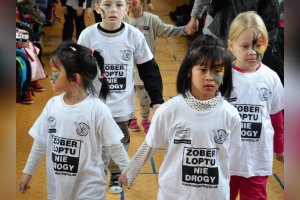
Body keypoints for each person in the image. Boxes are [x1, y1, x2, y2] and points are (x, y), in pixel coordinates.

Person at [119, 34, 242, 200]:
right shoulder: (169, 111)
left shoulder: (231, 115)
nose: (209, 77)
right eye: (203, 69)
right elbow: (150, 144)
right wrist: (130, 171)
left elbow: (233, 158)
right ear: (189, 71)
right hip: (173, 194)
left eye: (217, 71)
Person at [18, 41, 130, 199]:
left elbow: (115, 146)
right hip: (58, 189)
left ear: (75, 78)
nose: (51, 76)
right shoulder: (52, 106)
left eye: (56, 71)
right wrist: (27, 173)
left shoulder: (97, 109)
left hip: (89, 189)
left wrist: (128, 170)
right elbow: (40, 142)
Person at [77, 0, 164, 194]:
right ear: (98, 8)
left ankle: (116, 173)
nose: (113, 10)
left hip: (121, 105)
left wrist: (157, 101)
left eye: (118, 5)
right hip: (94, 105)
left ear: (127, 8)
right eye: (107, 5)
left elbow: (149, 69)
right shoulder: (87, 36)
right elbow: (78, 70)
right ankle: (96, 174)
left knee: (119, 141)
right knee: (96, 144)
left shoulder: (134, 36)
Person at [226, 11, 284, 200]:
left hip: (257, 159)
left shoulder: (271, 78)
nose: (252, 51)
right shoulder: (222, 76)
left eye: (257, 45)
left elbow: (276, 115)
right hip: (226, 159)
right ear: (231, 45)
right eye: (245, 46)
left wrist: (280, 146)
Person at [125, 0, 194, 134]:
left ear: (143, 2)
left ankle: (145, 119)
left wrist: (184, 29)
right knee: (127, 97)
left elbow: (167, 30)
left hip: (144, 70)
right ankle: (130, 118)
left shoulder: (151, 20)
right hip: (126, 70)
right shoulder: (121, 20)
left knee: (145, 97)